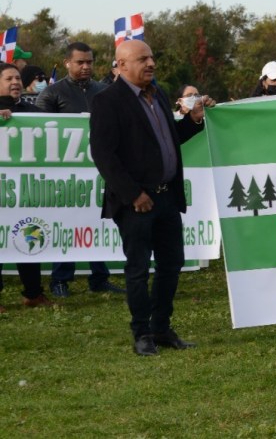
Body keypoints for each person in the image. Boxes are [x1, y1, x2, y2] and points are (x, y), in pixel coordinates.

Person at [90, 39, 212, 356]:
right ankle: (142, 333)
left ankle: (161, 328)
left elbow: (168, 140)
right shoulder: (108, 101)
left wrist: (194, 120)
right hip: (136, 203)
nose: (151, 63)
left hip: (166, 198)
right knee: (139, 268)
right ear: (121, 64)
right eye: (142, 59)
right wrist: (134, 194)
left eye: (152, 57)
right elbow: (104, 156)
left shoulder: (157, 95)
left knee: (172, 264)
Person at [35, 43, 125, 296]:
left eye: (89, 62)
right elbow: (36, 130)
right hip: (64, 173)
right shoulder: (52, 93)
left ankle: (100, 277)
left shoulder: (104, 91)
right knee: (66, 222)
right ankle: (60, 279)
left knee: (97, 223)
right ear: (67, 63)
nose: (86, 67)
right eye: (80, 62)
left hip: (100, 170)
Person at [0, 63, 56, 311]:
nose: (15, 82)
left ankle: (33, 293)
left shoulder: (31, 111)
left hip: (25, 190)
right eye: (8, 78)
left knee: (28, 235)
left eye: (17, 78)